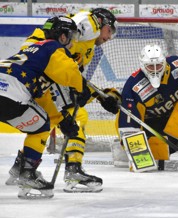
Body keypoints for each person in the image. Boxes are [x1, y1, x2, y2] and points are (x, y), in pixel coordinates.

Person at [6, 8, 121, 193]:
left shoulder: (89, 46)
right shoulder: (86, 25)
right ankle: (72, 169)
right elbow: (68, 73)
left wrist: (101, 95)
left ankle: (22, 167)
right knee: (73, 117)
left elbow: (75, 78)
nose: (109, 37)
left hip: (42, 77)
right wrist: (96, 94)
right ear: (102, 22)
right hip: (40, 73)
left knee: (50, 120)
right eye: (110, 30)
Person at [0, 15, 91, 199]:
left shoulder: (33, 53)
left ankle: (22, 169)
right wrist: (82, 88)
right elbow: (69, 71)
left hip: (6, 88)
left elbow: (42, 102)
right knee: (40, 126)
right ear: (62, 37)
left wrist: (62, 121)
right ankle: (27, 173)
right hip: (9, 93)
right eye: (71, 37)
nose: (73, 44)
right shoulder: (53, 48)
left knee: (40, 120)